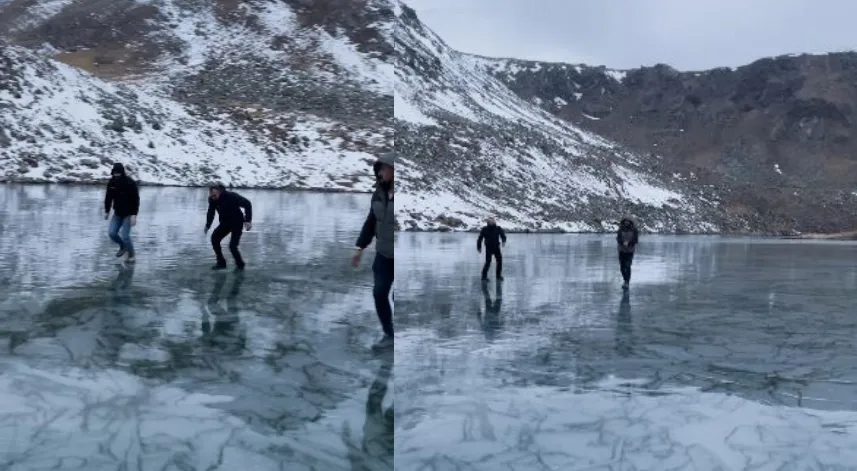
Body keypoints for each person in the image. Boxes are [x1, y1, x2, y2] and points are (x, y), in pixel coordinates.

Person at [352, 152, 395, 352]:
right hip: (383, 255)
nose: (381, 172)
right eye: (380, 168)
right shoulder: (377, 193)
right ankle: (389, 334)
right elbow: (371, 222)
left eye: (385, 168)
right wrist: (360, 247)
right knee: (379, 293)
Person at [204, 184, 253, 271]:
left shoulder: (232, 196)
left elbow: (247, 204)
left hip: (237, 223)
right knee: (214, 238)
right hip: (225, 223)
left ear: (220, 192)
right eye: (211, 195)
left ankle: (240, 265)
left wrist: (248, 221)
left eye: (215, 195)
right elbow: (211, 212)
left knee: (232, 246)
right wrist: (208, 225)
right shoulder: (212, 199)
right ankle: (221, 263)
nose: (213, 197)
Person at [104, 163, 140, 264]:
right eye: (115, 174)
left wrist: (134, 215)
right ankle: (123, 246)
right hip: (118, 213)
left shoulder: (130, 183)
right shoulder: (111, 183)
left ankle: (132, 255)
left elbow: (136, 199)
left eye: (118, 174)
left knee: (125, 236)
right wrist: (107, 211)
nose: (116, 176)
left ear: (122, 173)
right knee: (112, 233)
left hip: (128, 214)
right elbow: (108, 198)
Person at [616, 217, 639, 289]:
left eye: (628, 221)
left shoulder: (634, 230)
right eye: (625, 221)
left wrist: (628, 243)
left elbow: (635, 240)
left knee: (628, 266)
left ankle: (627, 282)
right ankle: (625, 279)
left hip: (630, 251)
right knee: (622, 267)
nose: (626, 222)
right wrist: (622, 243)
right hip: (621, 250)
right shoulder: (620, 229)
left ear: (630, 222)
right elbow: (618, 239)